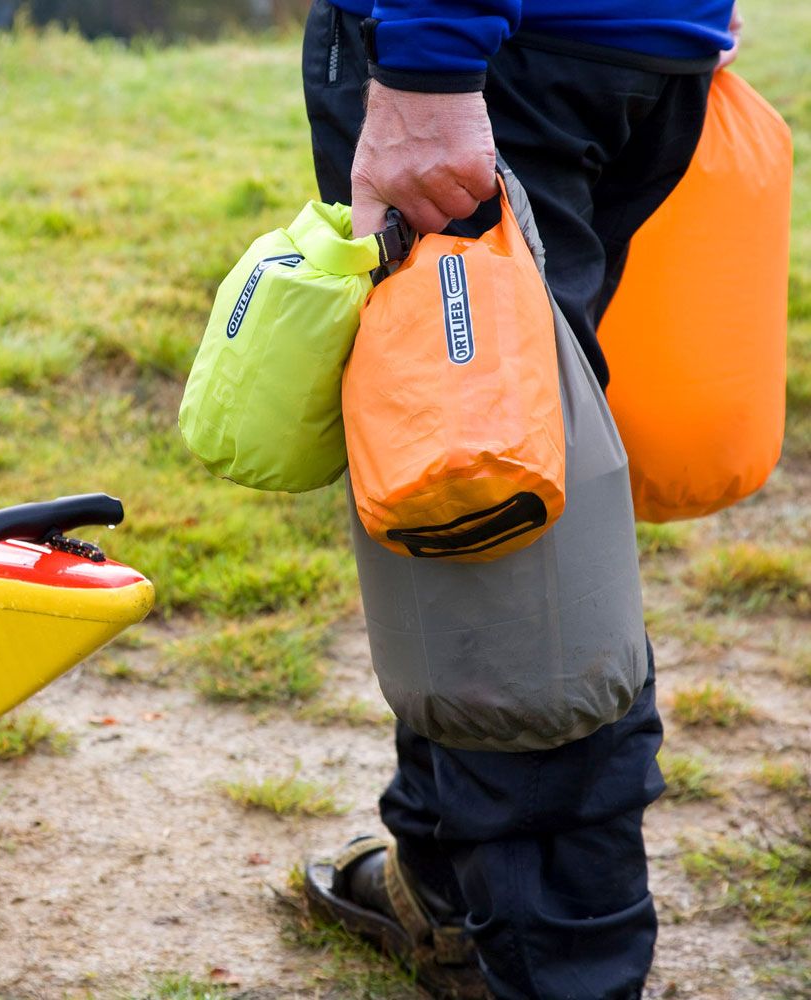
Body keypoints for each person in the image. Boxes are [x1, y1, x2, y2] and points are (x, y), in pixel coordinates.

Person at [301, 3, 743, 999]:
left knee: (501, 523)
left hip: (491, 57)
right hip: (617, 41)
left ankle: (559, 970)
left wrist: (429, 60)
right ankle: (445, 886)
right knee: (466, 470)